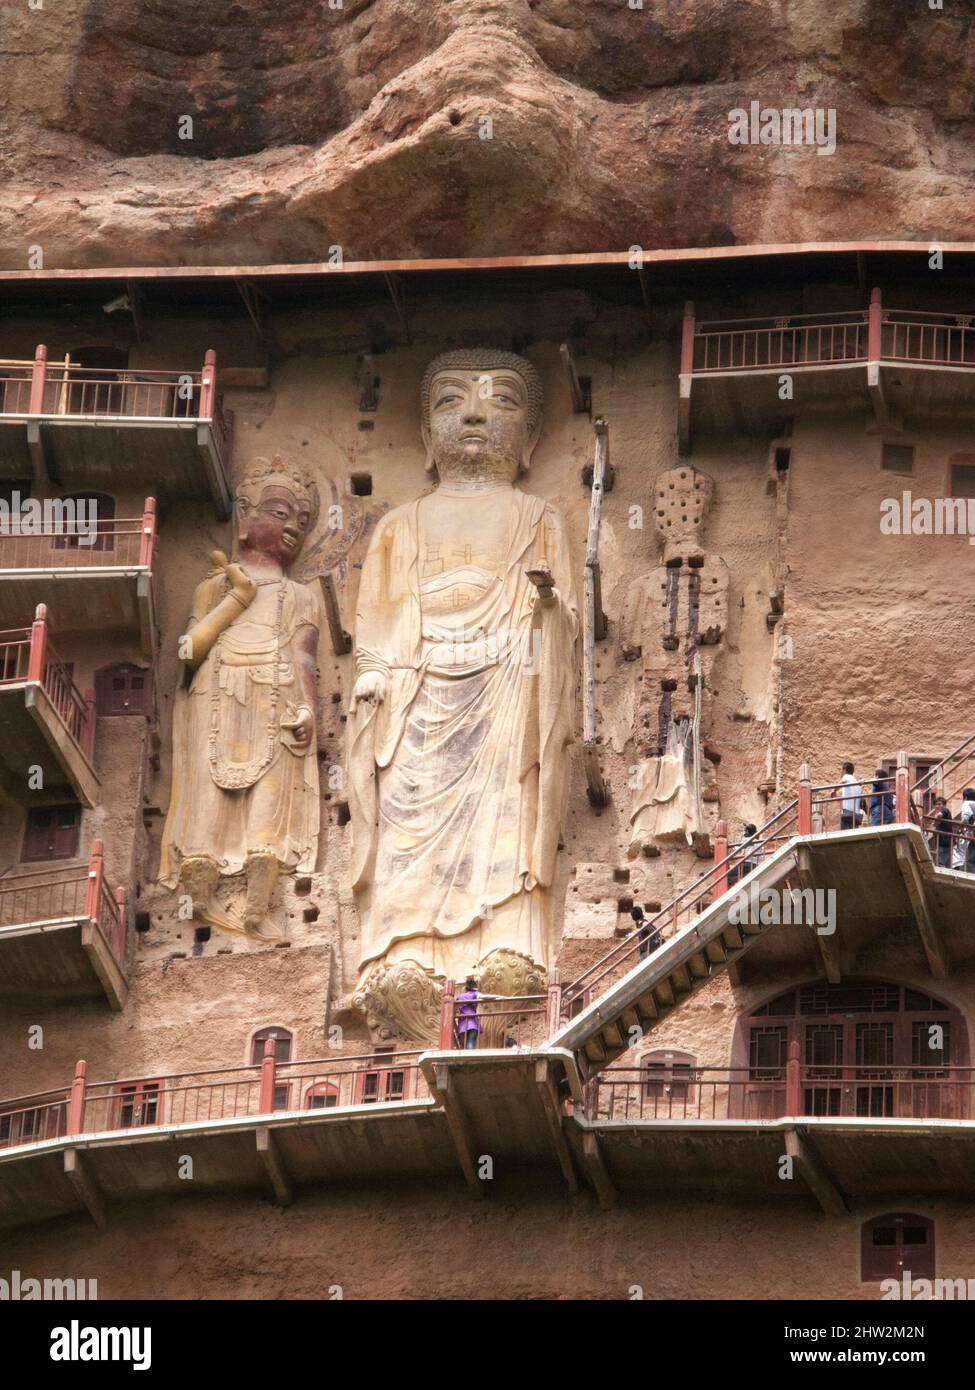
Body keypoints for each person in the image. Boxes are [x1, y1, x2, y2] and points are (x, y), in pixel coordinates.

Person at [952, 790, 975, 872]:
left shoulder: (967, 803)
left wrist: (960, 828)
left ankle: (968, 874)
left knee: (967, 856)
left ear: (965, 797)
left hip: (971, 834)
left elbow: (966, 817)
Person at [455, 977, 481, 1050]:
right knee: (470, 1043)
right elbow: (484, 997)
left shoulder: (459, 997)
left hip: (463, 1023)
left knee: (464, 1045)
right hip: (472, 1022)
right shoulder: (475, 993)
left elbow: (455, 1009)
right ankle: (471, 1057)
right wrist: (498, 997)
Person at [839, 762, 863, 830]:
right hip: (856, 815)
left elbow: (843, 781)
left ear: (844, 770)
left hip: (847, 813)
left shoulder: (846, 776)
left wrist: (834, 791)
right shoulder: (856, 782)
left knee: (844, 836)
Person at [931, 796, 953, 868]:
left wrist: (935, 818)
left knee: (940, 863)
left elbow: (940, 815)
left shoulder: (945, 810)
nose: (938, 806)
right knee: (940, 862)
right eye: (936, 804)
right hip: (942, 842)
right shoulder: (943, 811)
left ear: (944, 805)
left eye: (939, 804)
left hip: (945, 842)